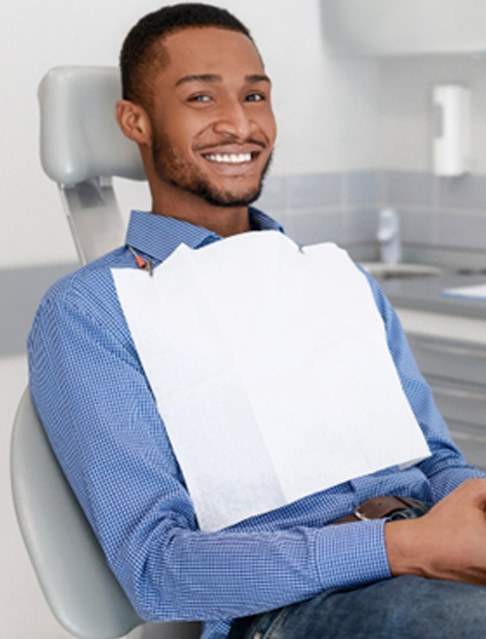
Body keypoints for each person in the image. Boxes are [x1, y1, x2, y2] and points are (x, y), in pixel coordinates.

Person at [28, 4, 486, 638]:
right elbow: (158, 569)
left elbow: (436, 460)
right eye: (200, 97)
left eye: (254, 95)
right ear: (134, 119)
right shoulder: (91, 313)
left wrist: (472, 504)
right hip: (291, 608)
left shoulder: (333, 280)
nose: (238, 122)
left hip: (428, 553)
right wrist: (401, 548)